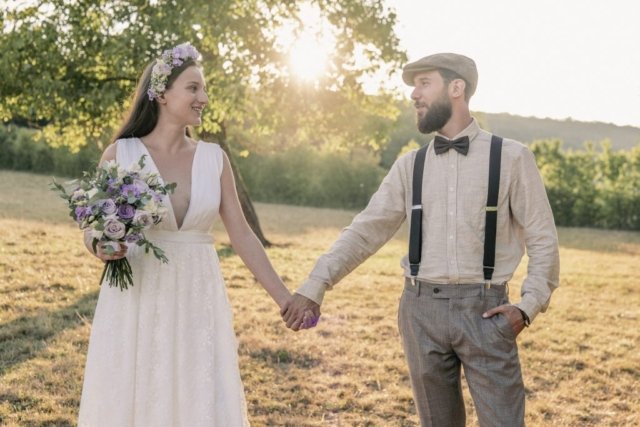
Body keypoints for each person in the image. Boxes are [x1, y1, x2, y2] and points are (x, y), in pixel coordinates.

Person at [281, 52, 560, 426]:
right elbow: (366, 230)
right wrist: (316, 284)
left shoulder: (511, 158)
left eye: (424, 83)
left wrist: (527, 307)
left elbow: (543, 239)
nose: (414, 94)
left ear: (456, 88)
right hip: (419, 311)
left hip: (487, 312)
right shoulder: (410, 166)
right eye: (414, 86)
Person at [78, 42, 296, 426]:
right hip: (137, 297)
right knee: (134, 388)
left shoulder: (214, 158)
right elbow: (93, 228)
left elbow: (242, 234)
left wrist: (284, 299)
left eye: (204, 89)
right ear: (161, 93)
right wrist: (102, 245)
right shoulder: (121, 154)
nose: (204, 98)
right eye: (194, 88)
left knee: (197, 389)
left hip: (198, 295)